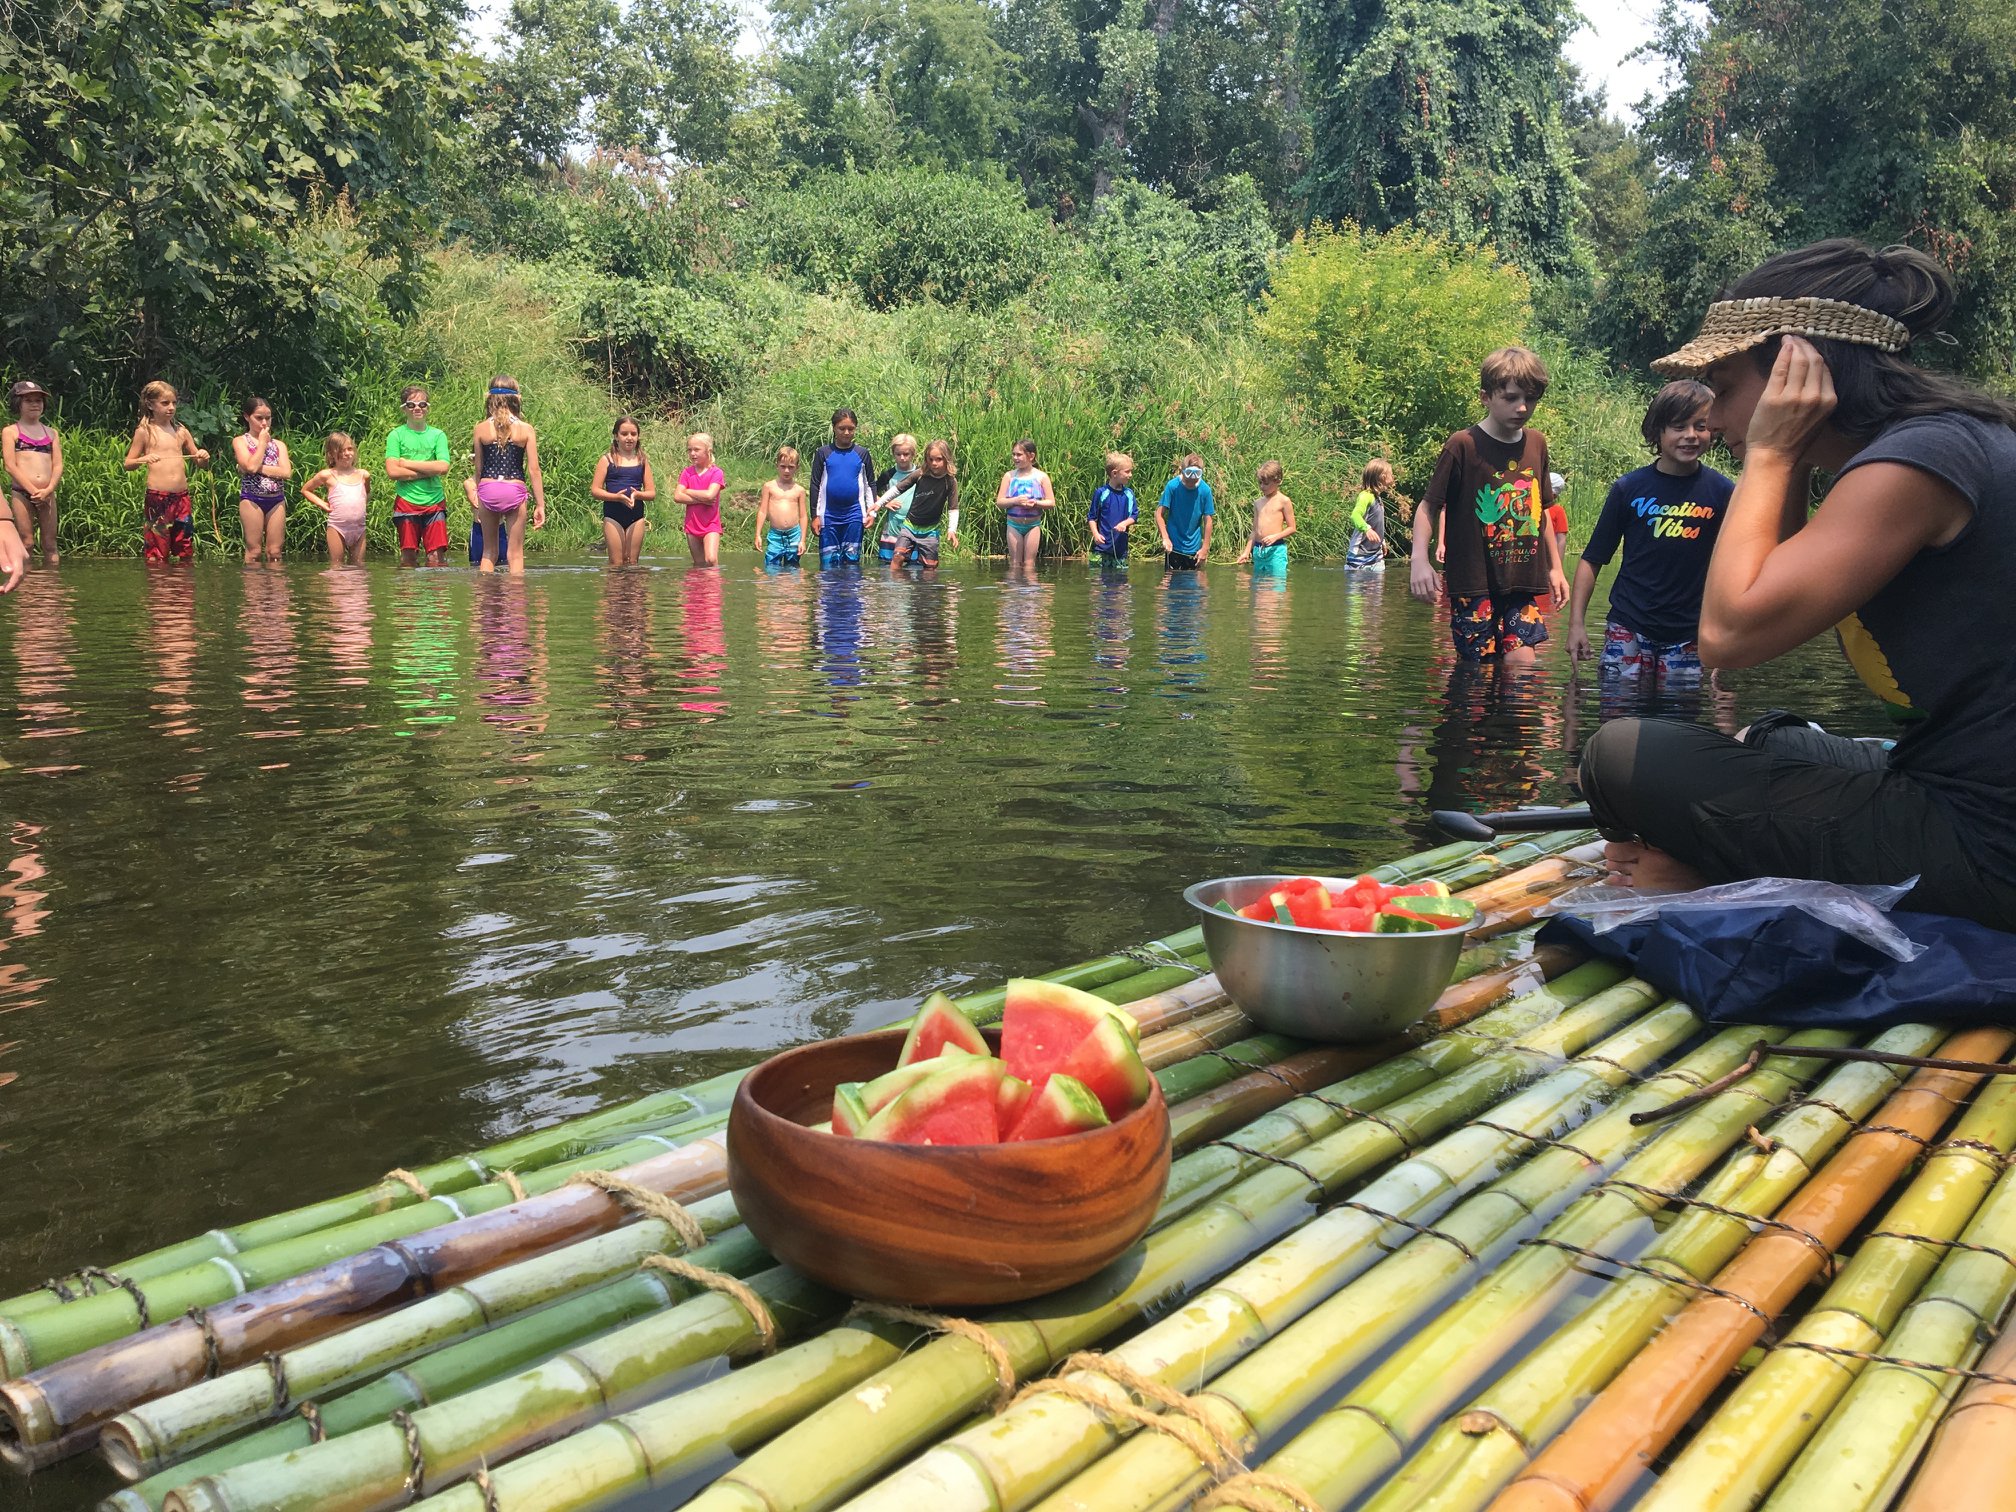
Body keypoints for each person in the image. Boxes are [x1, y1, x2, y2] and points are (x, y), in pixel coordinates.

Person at [1580, 239, 2016, 930]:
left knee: (1619, 755)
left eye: (1723, 389)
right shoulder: (1929, 444)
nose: (1713, 418)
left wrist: (1774, 449)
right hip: (1958, 792)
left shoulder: (1915, 466)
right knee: (1773, 739)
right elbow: (1772, 585)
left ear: (1793, 370)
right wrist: (1792, 460)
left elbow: (1728, 637)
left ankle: (1712, 873)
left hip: (1991, 847)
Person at [1409, 347, 1568, 662]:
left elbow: (1543, 510)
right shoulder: (1463, 445)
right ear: (1486, 397)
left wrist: (1557, 568)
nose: (1522, 407)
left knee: (1523, 667)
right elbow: (1429, 506)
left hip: (1521, 582)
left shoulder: (1536, 443)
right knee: (1478, 677)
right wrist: (1418, 559)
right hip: (1473, 582)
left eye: (1531, 399)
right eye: (1510, 398)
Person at [1566, 381, 1731, 682]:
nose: (1691, 435)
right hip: (1629, 625)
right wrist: (1576, 624)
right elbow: (1593, 558)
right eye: (1679, 426)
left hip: (1689, 632)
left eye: (1701, 426)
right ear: (1657, 432)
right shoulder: (1629, 488)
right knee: (1619, 718)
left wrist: (1723, 634)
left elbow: (1730, 568)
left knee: (1677, 722)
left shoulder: (1721, 492)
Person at [123, 381, 209, 563]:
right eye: (165, 403)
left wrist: (203, 456)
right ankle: (160, 589)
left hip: (181, 498)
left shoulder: (181, 431)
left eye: (174, 403)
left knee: (184, 548)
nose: (171, 408)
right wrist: (142, 459)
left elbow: (199, 462)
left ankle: (182, 588)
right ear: (150, 404)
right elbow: (128, 463)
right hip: (157, 498)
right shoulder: (145, 431)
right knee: (157, 550)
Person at [470, 376, 545, 574]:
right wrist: (540, 505)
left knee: (488, 552)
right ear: (517, 399)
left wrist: (478, 497)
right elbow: (533, 470)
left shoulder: (480, 429)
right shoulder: (526, 429)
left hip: (488, 488)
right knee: (515, 555)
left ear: (489, 399)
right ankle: (515, 602)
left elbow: (478, 468)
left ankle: (483, 601)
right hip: (514, 489)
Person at [386, 386, 451, 567]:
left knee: (436, 559)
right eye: (411, 404)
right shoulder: (396, 435)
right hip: (407, 502)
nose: (417, 408)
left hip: (434, 501)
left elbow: (443, 466)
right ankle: (409, 595)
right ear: (404, 408)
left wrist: (406, 463)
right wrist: (428, 470)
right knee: (408, 557)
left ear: (427, 407)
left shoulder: (438, 435)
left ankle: (436, 595)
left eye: (422, 404)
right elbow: (393, 472)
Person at [3, 380, 61, 568]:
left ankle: (51, 588)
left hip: (47, 493)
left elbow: (58, 465)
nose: (35, 404)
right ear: (18, 404)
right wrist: (32, 490)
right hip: (22, 492)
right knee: (26, 542)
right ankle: (27, 590)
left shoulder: (51, 433)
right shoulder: (11, 431)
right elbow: (10, 466)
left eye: (38, 400)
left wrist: (48, 490)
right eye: (29, 401)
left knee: (50, 545)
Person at [808, 409, 876, 568]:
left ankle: (851, 593)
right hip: (829, 515)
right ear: (834, 428)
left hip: (854, 515)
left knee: (851, 562)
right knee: (828, 563)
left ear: (855, 429)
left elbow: (870, 484)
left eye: (851, 429)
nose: (846, 432)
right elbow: (815, 484)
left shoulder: (862, 454)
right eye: (842, 428)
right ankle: (830, 593)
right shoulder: (823, 453)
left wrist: (872, 512)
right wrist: (815, 515)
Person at [231, 396, 292, 564]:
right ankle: (255, 589)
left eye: (268, 418)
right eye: (259, 418)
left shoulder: (279, 445)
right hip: (252, 499)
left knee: (275, 552)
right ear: (247, 416)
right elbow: (249, 467)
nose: (264, 423)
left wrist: (258, 468)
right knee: (254, 552)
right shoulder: (240, 441)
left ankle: (277, 589)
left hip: (276, 499)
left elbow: (286, 472)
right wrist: (262, 444)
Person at [300, 433, 372, 566]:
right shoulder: (327, 475)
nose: (346, 453)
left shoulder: (363, 475)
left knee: (359, 565)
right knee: (337, 565)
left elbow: (366, 493)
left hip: (359, 527)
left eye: (349, 449)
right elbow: (306, 490)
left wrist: (361, 507)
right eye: (341, 450)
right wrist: (323, 504)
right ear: (331, 453)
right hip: (337, 527)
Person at [593, 416, 655, 567]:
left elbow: (651, 493)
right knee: (616, 562)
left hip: (636, 517)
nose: (629, 438)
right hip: (613, 516)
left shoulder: (642, 460)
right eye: (624, 434)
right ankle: (615, 590)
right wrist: (616, 497)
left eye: (633, 434)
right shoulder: (607, 460)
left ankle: (633, 591)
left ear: (638, 437)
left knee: (632, 562)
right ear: (616, 436)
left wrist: (637, 494)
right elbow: (595, 490)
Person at [892, 438, 959, 571]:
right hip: (910, 525)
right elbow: (898, 488)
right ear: (926, 459)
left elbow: (953, 508)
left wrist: (952, 530)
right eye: (930, 459)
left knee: (930, 567)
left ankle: (927, 591)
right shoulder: (920, 474)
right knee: (898, 556)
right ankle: (896, 589)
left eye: (938, 459)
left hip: (930, 530)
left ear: (946, 459)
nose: (934, 463)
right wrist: (879, 504)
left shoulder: (950, 481)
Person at [996, 437, 1054, 571]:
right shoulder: (1009, 476)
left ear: (1031, 456)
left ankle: (1031, 591)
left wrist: (1036, 503)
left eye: (1019, 455)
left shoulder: (1041, 477)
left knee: (1029, 564)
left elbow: (1051, 502)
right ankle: (1014, 590)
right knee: (1015, 564)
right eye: (1013, 454)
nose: (1015, 458)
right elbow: (1000, 502)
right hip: (1013, 525)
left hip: (1033, 525)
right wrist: (1015, 501)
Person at [1235, 460, 1296, 573]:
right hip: (1258, 551)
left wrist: (1275, 537)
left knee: (1275, 586)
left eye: (1266, 483)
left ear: (1278, 481)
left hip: (1275, 551)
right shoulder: (1258, 503)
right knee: (1259, 587)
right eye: (1260, 483)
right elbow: (1254, 531)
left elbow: (1292, 528)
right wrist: (1246, 552)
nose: (1262, 487)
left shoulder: (1284, 501)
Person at [1156, 454, 1215, 571]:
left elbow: (1208, 520)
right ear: (1182, 471)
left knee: (1194, 585)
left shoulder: (1205, 490)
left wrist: (1205, 548)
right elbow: (1158, 514)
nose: (1191, 482)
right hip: (1173, 546)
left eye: (1195, 478)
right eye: (1188, 478)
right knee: (1170, 582)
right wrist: (1165, 538)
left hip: (1194, 549)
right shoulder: (1173, 486)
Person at [675, 432, 726, 567]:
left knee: (711, 559)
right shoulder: (687, 472)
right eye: (690, 450)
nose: (692, 453)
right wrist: (700, 499)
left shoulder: (716, 472)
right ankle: (698, 588)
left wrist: (688, 491)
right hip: (692, 524)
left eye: (697, 450)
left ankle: (713, 587)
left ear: (708, 451)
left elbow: (710, 495)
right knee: (698, 563)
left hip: (711, 524)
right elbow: (677, 496)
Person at [757, 445, 807, 567]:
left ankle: (790, 586)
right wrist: (758, 534)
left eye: (791, 467)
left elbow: (803, 516)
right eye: (783, 466)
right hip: (775, 534)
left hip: (794, 533)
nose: (786, 471)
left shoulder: (799, 490)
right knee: (771, 564)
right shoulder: (769, 487)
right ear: (777, 466)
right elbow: (762, 511)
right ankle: (774, 586)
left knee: (793, 566)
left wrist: (803, 540)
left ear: (797, 468)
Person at [873, 434, 919, 563]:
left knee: (915, 569)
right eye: (898, 454)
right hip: (892, 531)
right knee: (887, 568)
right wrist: (884, 502)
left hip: (914, 531)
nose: (902, 458)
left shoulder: (920, 474)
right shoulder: (888, 475)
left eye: (906, 454)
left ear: (913, 454)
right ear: (893, 453)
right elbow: (870, 492)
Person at [1088, 452, 1137, 569]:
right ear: (1114, 473)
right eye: (1127, 471)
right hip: (1100, 549)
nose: (1130, 475)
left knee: (1120, 583)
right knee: (1097, 583)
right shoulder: (1101, 493)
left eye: (1131, 471)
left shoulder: (1129, 494)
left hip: (1120, 551)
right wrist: (1096, 534)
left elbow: (1134, 516)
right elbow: (1092, 517)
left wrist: (1124, 524)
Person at [1346, 459, 1393, 570]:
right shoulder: (1365, 496)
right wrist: (1367, 529)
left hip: (1376, 556)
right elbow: (1355, 515)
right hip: (1358, 556)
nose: (1393, 477)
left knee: (1378, 587)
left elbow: (1377, 523)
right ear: (1382, 477)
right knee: (1357, 585)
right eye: (1391, 474)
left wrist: (1382, 541)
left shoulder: (1378, 498)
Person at [1545, 471, 1570, 558]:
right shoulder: (1532, 508)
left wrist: (1558, 564)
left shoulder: (1558, 511)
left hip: (1549, 556)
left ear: (1554, 495)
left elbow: (1561, 540)